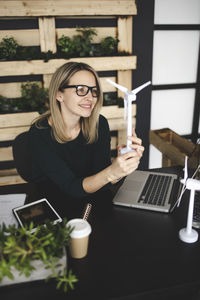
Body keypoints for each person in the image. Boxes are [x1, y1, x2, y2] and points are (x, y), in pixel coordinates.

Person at [28, 62, 144, 218]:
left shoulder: (99, 123)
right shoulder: (39, 134)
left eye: (94, 91)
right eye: (81, 90)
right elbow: (71, 187)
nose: (90, 97)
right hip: (56, 211)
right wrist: (111, 173)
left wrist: (121, 166)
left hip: (93, 205)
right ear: (58, 94)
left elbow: (103, 182)